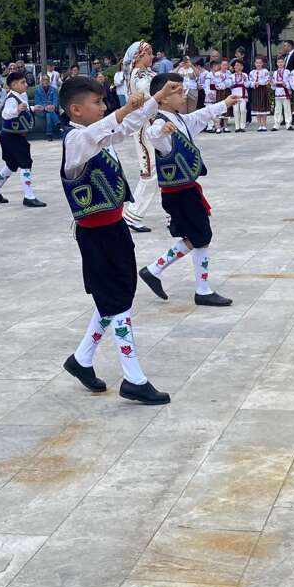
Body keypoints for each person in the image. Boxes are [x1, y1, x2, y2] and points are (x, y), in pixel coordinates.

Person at [58, 74, 183, 405]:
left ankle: (81, 360)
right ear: (75, 109)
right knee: (119, 304)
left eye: (102, 102)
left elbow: (123, 128)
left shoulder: (96, 136)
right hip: (96, 236)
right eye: (96, 102)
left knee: (113, 298)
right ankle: (133, 377)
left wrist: (155, 99)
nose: (102, 107)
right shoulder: (75, 142)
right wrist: (126, 107)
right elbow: (100, 131)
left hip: (114, 230)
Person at [138, 73, 240, 306]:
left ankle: (154, 270)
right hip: (178, 193)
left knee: (196, 236)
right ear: (162, 98)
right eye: (176, 90)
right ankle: (201, 290)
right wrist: (162, 131)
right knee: (201, 236)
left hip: (187, 189)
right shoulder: (161, 123)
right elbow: (154, 136)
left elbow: (200, 115)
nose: (182, 93)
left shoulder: (180, 120)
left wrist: (224, 104)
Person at [0, 70, 45, 208]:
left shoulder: (20, 96)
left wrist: (31, 108)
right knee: (25, 163)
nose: (26, 84)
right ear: (13, 85)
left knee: (12, 164)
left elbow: (21, 108)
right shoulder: (12, 98)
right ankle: (29, 196)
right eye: (22, 82)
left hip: (11, 136)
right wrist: (17, 110)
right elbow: (6, 114)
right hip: (12, 136)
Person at [121, 41, 159, 233]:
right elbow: (146, 95)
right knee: (150, 172)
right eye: (148, 53)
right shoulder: (139, 75)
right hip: (145, 125)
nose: (151, 57)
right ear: (139, 56)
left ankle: (174, 214)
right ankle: (132, 215)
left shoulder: (149, 73)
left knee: (165, 168)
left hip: (156, 124)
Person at [33, 74, 61, 140]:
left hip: (52, 109)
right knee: (49, 112)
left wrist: (53, 106)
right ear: (41, 81)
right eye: (44, 80)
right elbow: (37, 102)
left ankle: (49, 134)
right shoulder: (37, 90)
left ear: (49, 81)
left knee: (48, 115)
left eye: (47, 80)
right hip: (41, 110)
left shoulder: (54, 89)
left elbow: (55, 100)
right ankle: (57, 122)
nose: (45, 81)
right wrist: (45, 107)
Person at [248, 56, 271, 131]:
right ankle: (259, 125)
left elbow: (267, 80)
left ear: (262, 64)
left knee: (263, 108)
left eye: (260, 63)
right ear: (255, 64)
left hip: (263, 90)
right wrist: (254, 83)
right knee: (257, 109)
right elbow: (249, 81)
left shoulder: (265, 71)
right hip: (255, 90)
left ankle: (264, 125)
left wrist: (260, 82)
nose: (258, 64)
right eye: (257, 63)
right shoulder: (252, 72)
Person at [229, 59, 250, 133]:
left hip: (243, 95)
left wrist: (244, 81)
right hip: (235, 94)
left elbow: (248, 85)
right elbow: (229, 85)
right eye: (235, 65)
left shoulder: (245, 75)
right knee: (236, 110)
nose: (235, 67)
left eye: (237, 65)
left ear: (242, 67)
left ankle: (242, 126)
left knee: (243, 110)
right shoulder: (231, 76)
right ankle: (237, 127)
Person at [271, 57, 291, 131]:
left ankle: (288, 124)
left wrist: (286, 85)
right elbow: (273, 86)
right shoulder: (275, 72)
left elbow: (290, 82)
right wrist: (272, 84)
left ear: (284, 63)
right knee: (277, 109)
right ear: (276, 63)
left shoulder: (287, 72)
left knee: (287, 109)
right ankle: (276, 125)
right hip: (278, 92)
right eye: (278, 62)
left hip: (285, 91)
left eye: (282, 62)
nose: (280, 64)